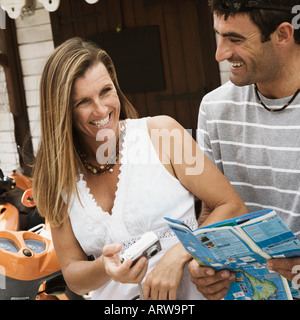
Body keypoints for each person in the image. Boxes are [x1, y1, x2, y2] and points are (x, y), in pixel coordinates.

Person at [32, 37, 247, 300]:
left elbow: (232, 206)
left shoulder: (163, 134)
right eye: (83, 102)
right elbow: (73, 276)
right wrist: (106, 267)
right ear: (62, 111)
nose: (101, 110)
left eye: (105, 91)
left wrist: (179, 254)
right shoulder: (58, 178)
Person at [188, 0, 300, 300]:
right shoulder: (213, 109)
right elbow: (210, 209)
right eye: (219, 35)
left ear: (283, 34)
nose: (220, 53)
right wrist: (205, 266)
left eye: (235, 39)